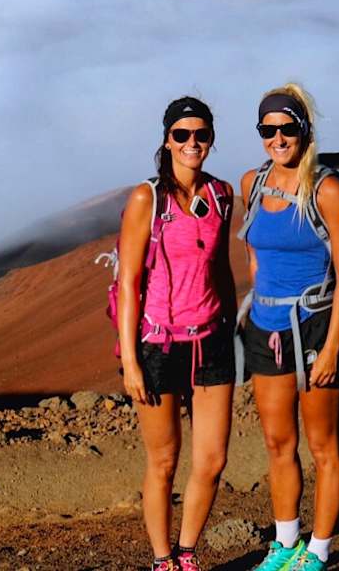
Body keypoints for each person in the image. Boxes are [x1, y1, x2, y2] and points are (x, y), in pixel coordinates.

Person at [115, 96, 237, 571]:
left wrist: (231, 326)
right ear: (167, 139)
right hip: (159, 345)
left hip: (211, 341)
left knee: (212, 460)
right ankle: (162, 560)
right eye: (182, 135)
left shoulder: (222, 195)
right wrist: (130, 361)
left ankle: (188, 555)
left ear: (211, 139)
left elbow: (222, 268)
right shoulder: (148, 199)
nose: (192, 143)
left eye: (200, 135)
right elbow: (127, 282)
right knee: (164, 462)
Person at [238, 83, 339, 571]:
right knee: (277, 442)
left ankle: (318, 552)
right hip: (266, 327)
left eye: (287, 127)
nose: (278, 137)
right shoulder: (252, 183)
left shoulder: (327, 189)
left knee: (323, 445)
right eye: (269, 129)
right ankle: (285, 543)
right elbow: (252, 255)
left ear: (304, 129)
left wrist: (330, 347)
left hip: (313, 326)